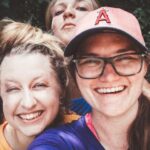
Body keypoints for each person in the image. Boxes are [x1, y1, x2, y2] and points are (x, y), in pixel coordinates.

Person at [29, 7, 150, 150]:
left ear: (145, 66)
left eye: (124, 58)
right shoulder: (59, 143)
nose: (109, 76)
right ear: (75, 72)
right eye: (91, 61)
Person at [0, 19, 79, 150]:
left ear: (61, 89)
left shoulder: (86, 135)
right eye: (13, 89)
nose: (28, 103)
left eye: (39, 85)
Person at [45, 0, 100, 115]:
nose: (68, 12)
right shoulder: (38, 72)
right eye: (59, 11)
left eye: (81, 8)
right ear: (51, 29)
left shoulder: (123, 71)